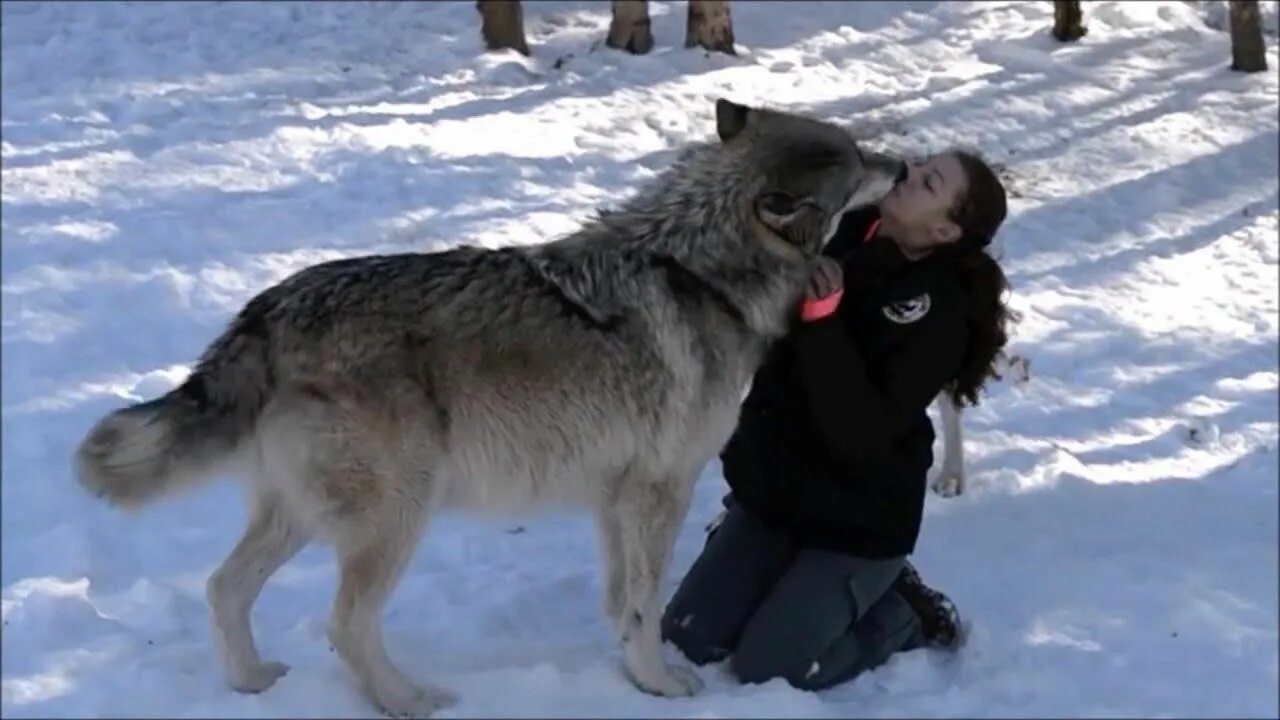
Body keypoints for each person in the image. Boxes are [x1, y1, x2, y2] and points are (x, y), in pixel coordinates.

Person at [660, 150, 1012, 690]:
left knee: (771, 667)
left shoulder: (943, 311)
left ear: (944, 229)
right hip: (778, 497)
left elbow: (862, 430)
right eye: (918, 166)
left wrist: (822, 323)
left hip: (857, 519)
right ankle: (782, 573)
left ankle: (903, 614)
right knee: (688, 637)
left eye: (928, 182)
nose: (907, 175)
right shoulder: (845, 230)